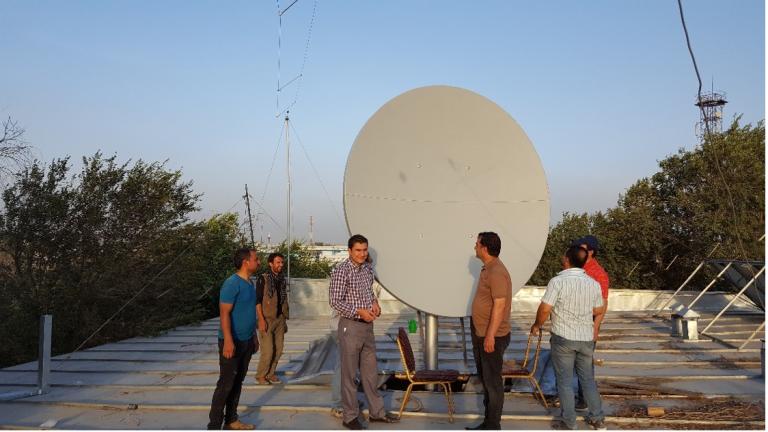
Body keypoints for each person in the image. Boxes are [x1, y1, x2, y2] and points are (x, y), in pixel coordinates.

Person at [530, 246, 606, 430]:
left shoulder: (557, 281)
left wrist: (537, 325)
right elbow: (598, 309)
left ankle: (569, 422)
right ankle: (597, 419)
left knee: (564, 382)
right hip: (586, 338)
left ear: (567, 260)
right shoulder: (593, 283)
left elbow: (545, 308)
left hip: (563, 338)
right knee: (587, 379)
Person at [329, 234, 399, 430]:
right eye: (358, 250)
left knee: (370, 373)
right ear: (349, 251)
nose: (362, 254)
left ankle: (377, 413)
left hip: (368, 327)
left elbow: (368, 292)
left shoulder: (367, 269)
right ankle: (349, 416)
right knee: (349, 374)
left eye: (364, 250)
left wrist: (375, 304)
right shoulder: (341, 271)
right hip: (350, 326)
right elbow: (335, 301)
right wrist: (358, 311)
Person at [207, 248, 260, 430]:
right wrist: (228, 341)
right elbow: (224, 314)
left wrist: (254, 336)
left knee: (238, 382)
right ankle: (214, 425)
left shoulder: (250, 283)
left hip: (246, 341)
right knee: (225, 384)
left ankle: (231, 420)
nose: (258, 262)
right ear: (246, 262)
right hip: (232, 342)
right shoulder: (232, 283)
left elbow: (249, 312)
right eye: (256, 259)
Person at [466, 232, 512, 431]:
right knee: (486, 379)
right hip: (482, 332)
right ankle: (488, 422)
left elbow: (500, 305)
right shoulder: (488, 269)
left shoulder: (497, 272)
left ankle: (493, 425)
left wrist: (490, 335)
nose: (474, 247)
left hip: (491, 335)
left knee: (492, 382)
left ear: (484, 248)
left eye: (477, 243)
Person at [573, 235, 610, 410]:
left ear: (591, 252)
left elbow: (602, 305)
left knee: (585, 363)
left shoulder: (598, 273)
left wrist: (595, 328)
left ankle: (586, 399)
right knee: (574, 361)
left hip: (587, 323)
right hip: (573, 322)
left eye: (582, 248)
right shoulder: (575, 269)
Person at [255, 252, 288, 385]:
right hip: (267, 319)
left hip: (280, 318)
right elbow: (257, 301)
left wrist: (284, 319)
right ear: (270, 264)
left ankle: (271, 373)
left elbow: (283, 300)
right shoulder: (263, 278)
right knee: (268, 350)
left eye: (282, 262)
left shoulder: (281, 279)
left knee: (279, 349)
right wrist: (261, 320)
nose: (280, 265)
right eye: (278, 262)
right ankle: (260, 375)